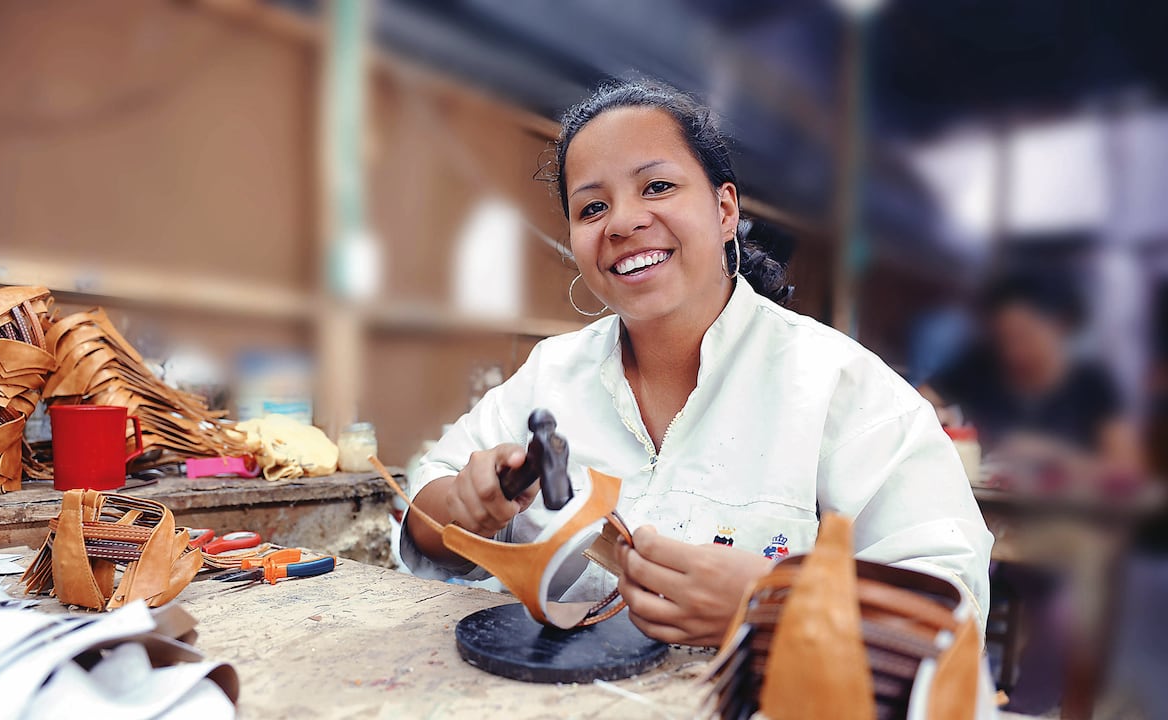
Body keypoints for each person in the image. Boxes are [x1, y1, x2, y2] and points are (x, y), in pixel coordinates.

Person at [399, 79, 992, 647]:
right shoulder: (549, 376)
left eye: (657, 187)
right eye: (592, 207)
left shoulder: (840, 387)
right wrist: (461, 508)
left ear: (725, 208)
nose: (624, 222)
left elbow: (952, 608)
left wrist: (775, 603)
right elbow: (424, 513)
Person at [918, 272, 1142, 472]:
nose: (1013, 352)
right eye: (1004, 338)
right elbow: (914, 404)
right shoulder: (977, 369)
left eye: (1025, 336)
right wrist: (933, 415)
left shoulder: (1091, 384)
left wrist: (1054, 455)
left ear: (1061, 325)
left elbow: (1125, 468)